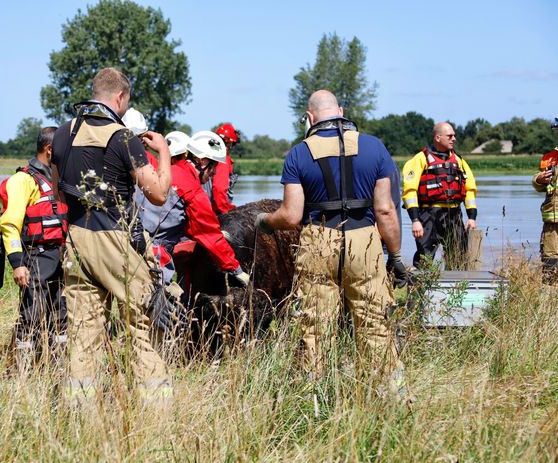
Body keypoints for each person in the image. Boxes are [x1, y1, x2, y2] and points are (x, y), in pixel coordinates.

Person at [255, 90, 405, 392]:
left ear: (310, 118)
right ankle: (392, 396)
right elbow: (386, 209)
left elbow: (291, 215)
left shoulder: (299, 153)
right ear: (341, 110)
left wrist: (265, 222)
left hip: (319, 240)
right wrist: (397, 256)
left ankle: (312, 400)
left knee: (316, 327)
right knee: (374, 323)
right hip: (365, 240)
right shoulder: (374, 147)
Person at [51, 67, 173, 403]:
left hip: (75, 239)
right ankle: (157, 411)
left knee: (83, 334)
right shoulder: (123, 137)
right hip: (115, 239)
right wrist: (163, 151)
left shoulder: (62, 133)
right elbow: (159, 194)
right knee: (141, 325)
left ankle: (80, 414)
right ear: (120, 97)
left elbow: (59, 192)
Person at [140, 130, 250, 291]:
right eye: (214, 167)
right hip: (155, 254)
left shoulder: (169, 171)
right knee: (159, 307)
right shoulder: (193, 190)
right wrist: (236, 270)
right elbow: (209, 234)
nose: (213, 174)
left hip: (133, 243)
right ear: (203, 161)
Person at [0, 126, 68, 374]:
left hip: (60, 256)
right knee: (31, 314)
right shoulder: (23, 180)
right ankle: (22, 371)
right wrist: (17, 263)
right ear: (50, 150)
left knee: (61, 315)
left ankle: (58, 366)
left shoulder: (58, 179)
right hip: (35, 256)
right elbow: (10, 224)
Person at [402, 122, 478, 270]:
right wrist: (415, 220)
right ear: (438, 137)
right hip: (428, 216)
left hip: (454, 216)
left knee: (458, 257)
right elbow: (409, 191)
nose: (454, 139)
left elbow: (470, 190)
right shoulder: (419, 159)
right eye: (450, 136)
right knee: (425, 258)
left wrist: (472, 217)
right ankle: (421, 291)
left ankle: (456, 291)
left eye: (454, 135)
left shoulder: (459, 161)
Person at [531, 117, 558, 283]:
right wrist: (539, 180)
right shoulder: (549, 157)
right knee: (550, 263)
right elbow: (539, 185)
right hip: (551, 222)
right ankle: (550, 305)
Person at [203, 123, 239, 214]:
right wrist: (228, 211)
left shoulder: (208, 156)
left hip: (205, 208)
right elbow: (219, 190)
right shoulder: (223, 159)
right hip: (215, 212)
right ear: (230, 144)